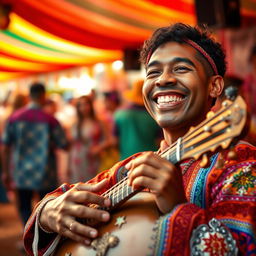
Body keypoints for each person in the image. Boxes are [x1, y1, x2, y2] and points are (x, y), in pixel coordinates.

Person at [23, 23, 256, 255]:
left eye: (181, 69)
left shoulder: (240, 165)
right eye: (153, 72)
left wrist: (177, 208)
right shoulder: (132, 167)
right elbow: (74, 194)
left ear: (214, 86)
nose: (163, 80)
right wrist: (47, 212)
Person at [1, 82, 68, 226]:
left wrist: (6, 172)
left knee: (24, 207)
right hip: (45, 173)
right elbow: (64, 145)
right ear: (43, 96)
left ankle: (28, 236)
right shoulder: (50, 119)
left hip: (21, 172)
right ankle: (43, 239)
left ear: (29, 96)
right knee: (46, 207)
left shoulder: (14, 118)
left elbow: (5, 147)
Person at [114, 79, 162, 160]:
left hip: (126, 160)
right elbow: (159, 140)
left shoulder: (119, 114)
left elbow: (115, 141)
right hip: (150, 160)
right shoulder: (155, 116)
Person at [67, 95, 109, 183]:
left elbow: (108, 140)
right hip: (76, 160)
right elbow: (71, 146)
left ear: (90, 105)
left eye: (86, 104)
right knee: (77, 188)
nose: (83, 107)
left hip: (93, 159)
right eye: (80, 105)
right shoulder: (74, 123)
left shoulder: (99, 122)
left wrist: (99, 148)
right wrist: (68, 165)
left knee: (93, 185)